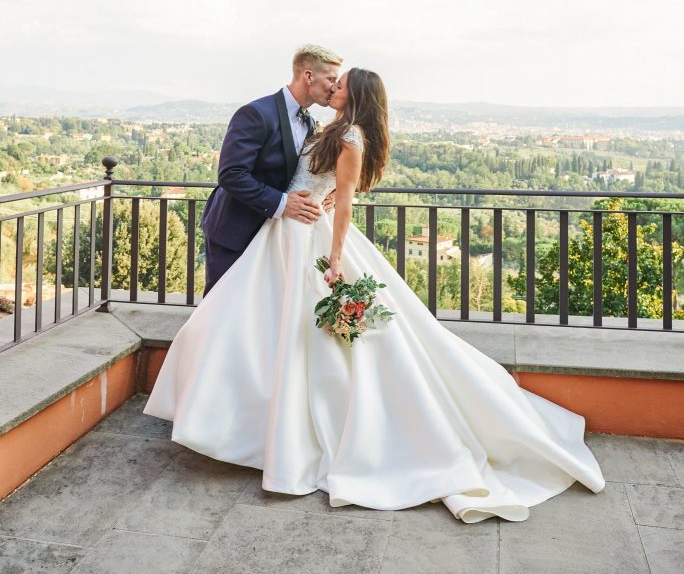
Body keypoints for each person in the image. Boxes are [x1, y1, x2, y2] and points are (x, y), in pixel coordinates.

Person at [145, 67, 604, 523]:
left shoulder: (350, 138)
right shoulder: (336, 129)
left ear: (356, 94)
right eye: (331, 80)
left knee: (294, 336)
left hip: (309, 239)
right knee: (256, 325)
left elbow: (343, 199)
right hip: (285, 233)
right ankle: (252, 425)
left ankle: (284, 434)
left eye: (340, 84)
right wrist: (312, 197)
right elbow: (325, 187)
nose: (333, 87)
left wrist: (337, 257)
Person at [200, 44, 343, 294]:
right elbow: (230, 174)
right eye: (331, 78)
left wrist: (327, 194)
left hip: (276, 237)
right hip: (236, 229)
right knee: (222, 307)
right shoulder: (256, 113)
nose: (334, 87)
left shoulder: (309, 122)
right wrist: (282, 203)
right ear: (308, 76)